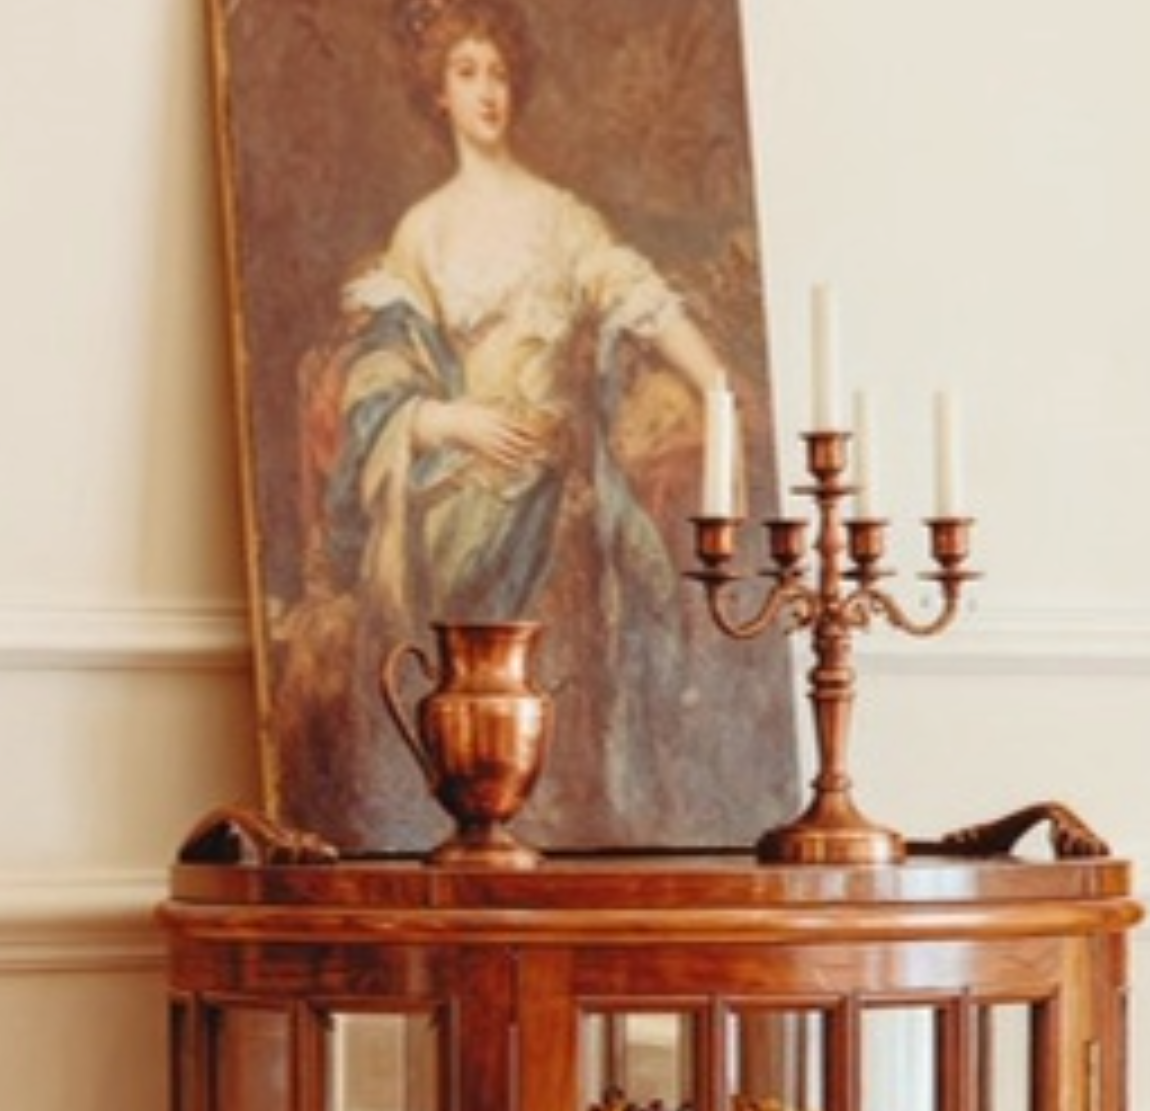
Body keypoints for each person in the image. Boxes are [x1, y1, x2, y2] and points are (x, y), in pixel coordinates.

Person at [271, 0, 784, 851]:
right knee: (438, 593)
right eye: (467, 73)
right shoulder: (423, 231)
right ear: (437, 92)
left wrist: (721, 387)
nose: (488, 91)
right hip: (452, 482)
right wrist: (449, 419)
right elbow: (382, 375)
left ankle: (574, 806)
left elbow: (639, 298)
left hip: (549, 473)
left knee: (606, 547)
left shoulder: (561, 217)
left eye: (499, 73)